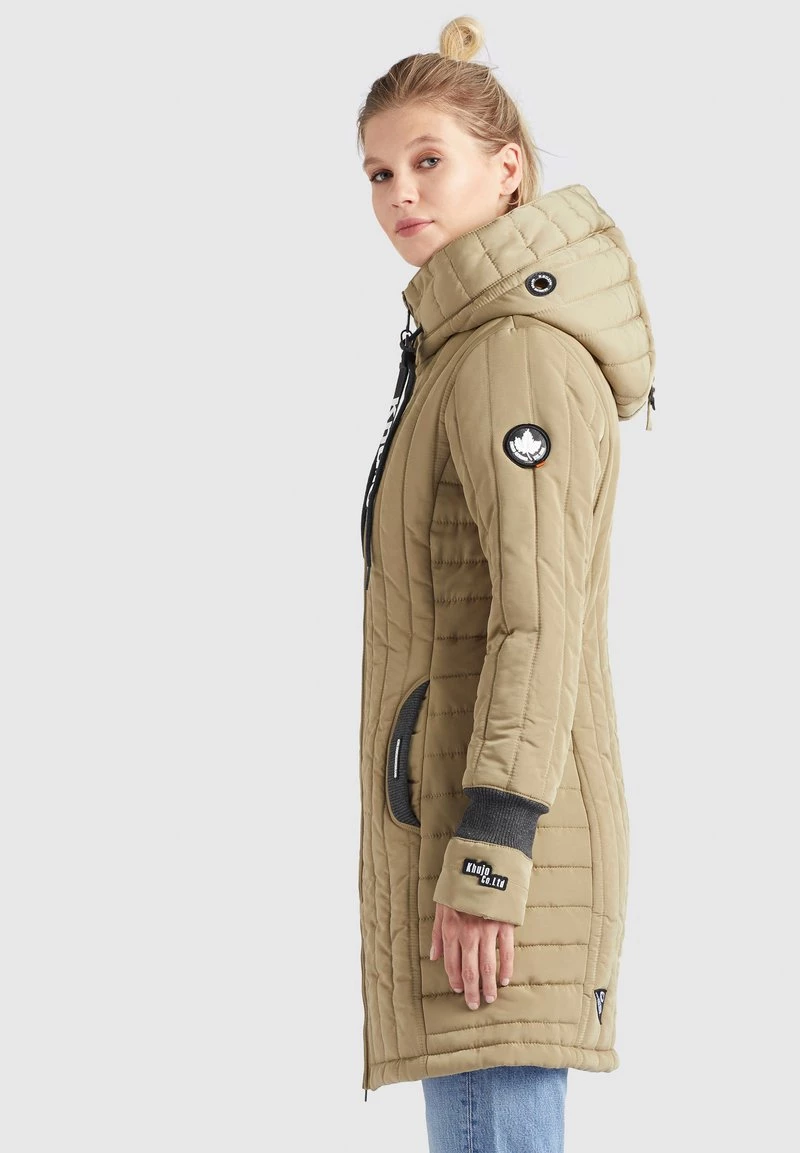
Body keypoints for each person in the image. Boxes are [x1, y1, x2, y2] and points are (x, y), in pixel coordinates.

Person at [355, 15, 656, 1152]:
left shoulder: (511, 353)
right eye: (379, 171)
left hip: (498, 847)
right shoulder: (460, 349)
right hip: (473, 831)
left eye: (427, 159)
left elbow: (539, 622)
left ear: (508, 168)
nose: (399, 192)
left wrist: (488, 852)